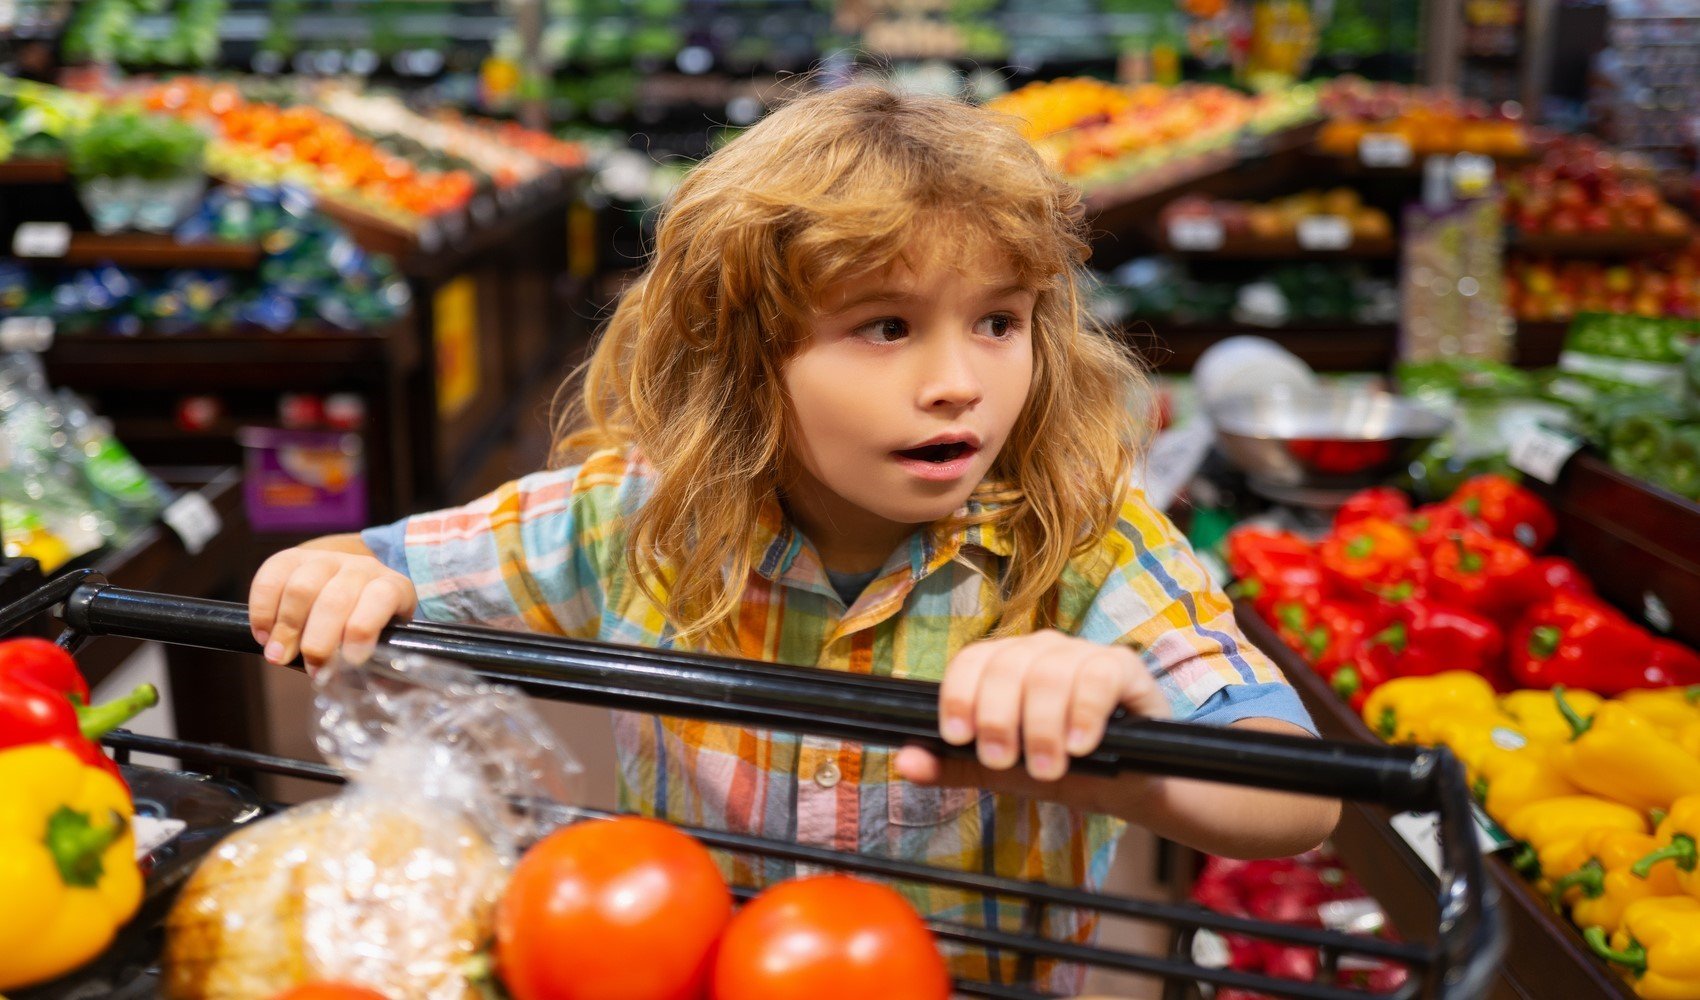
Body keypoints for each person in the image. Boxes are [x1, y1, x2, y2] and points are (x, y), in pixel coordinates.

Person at [247, 83, 1339, 989]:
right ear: (742, 354)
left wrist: (1125, 747)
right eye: (884, 326)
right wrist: (334, 567)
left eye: (997, 322)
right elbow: (392, 564)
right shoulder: (636, 517)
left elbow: (1294, 793)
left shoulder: (1081, 539)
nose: (957, 382)